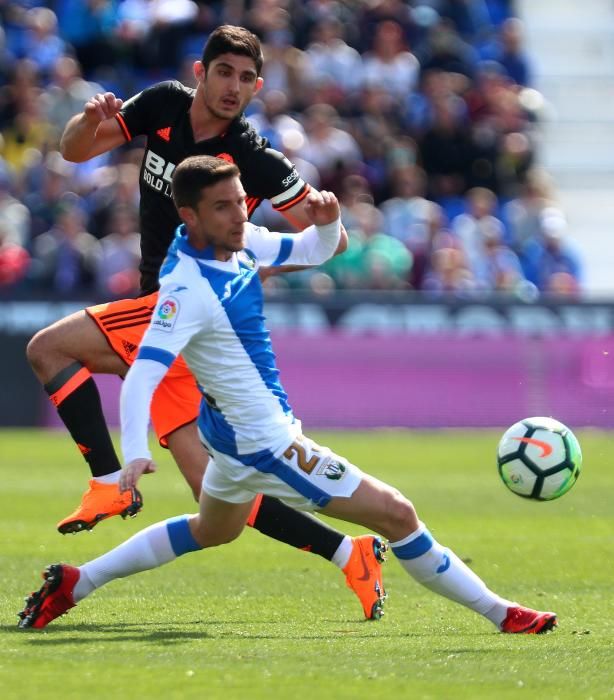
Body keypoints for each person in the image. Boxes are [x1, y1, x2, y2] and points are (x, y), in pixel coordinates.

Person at [18, 156, 556, 634]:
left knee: (212, 529)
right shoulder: (185, 290)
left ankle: (77, 583)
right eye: (224, 207)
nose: (240, 215)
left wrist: (329, 221)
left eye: (238, 202)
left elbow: (311, 249)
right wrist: (134, 450)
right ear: (190, 217)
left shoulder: (236, 239)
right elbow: (142, 374)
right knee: (397, 513)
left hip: (226, 435)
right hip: (267, 444)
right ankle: (499, 612)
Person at [25, 25, 384, 620]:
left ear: (258, 86)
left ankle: (110, 479)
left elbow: (331, 241)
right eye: (224, 72)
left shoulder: (256, 158)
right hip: (166, 313)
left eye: (246, 79)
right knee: (215, 503)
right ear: (201, 71)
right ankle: (349, 552)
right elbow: (74, 150)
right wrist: (88, 121)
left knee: (49, 348)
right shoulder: (163, 105)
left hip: (184, 304)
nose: (233, 87)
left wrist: (251, 264)